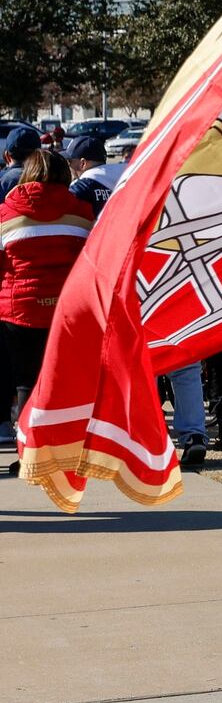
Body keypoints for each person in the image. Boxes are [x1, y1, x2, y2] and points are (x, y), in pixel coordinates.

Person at [1, 149, 94, 479]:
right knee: (61, 382)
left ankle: (29, 454)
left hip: (18, 311)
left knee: (26, 383)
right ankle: (64, 450)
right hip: (66, 312)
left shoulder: (6, 213)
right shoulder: (82, 213)